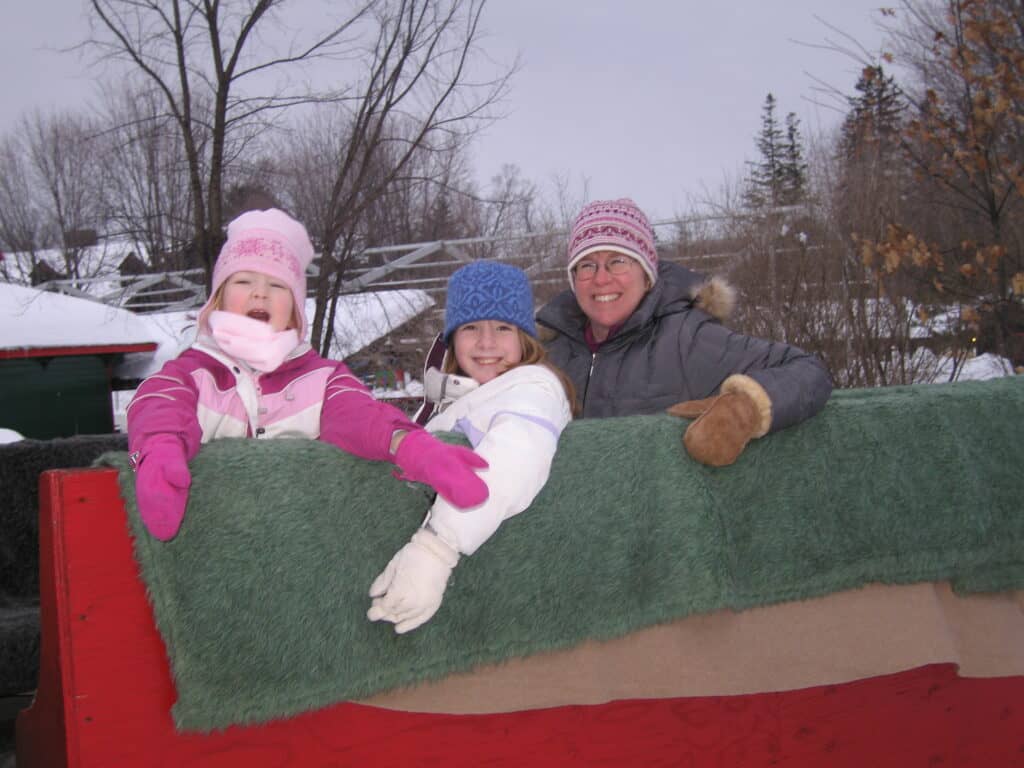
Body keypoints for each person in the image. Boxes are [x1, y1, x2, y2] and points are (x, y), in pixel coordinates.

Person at [126, 208, 489, 541]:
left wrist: (409, 445)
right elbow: (158, 402)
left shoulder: (322, 380)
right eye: (243, 281)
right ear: (217, 298)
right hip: (214, 544)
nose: (260, 293)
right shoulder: (192, 373)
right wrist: (158, 448)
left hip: (301, 548)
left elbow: (362, 417)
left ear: (296, 310)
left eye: (278, 285)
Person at [536, 198, 833, 466]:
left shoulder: (685, 338)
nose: (601, 278)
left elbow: (807, 371)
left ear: (647, 274)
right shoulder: (550, 350)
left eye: (618, 261)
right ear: (574, 279)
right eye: (587, 265)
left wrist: (744, 410)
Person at [367, 261, 574, 634]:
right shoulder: (460, 398)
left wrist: (435, 550)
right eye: (471, 327)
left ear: (524, 336)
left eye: (502, 328)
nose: (486, 342)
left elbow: (512, 458)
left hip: (493, 586)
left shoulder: (533, 388)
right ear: (452, 338)